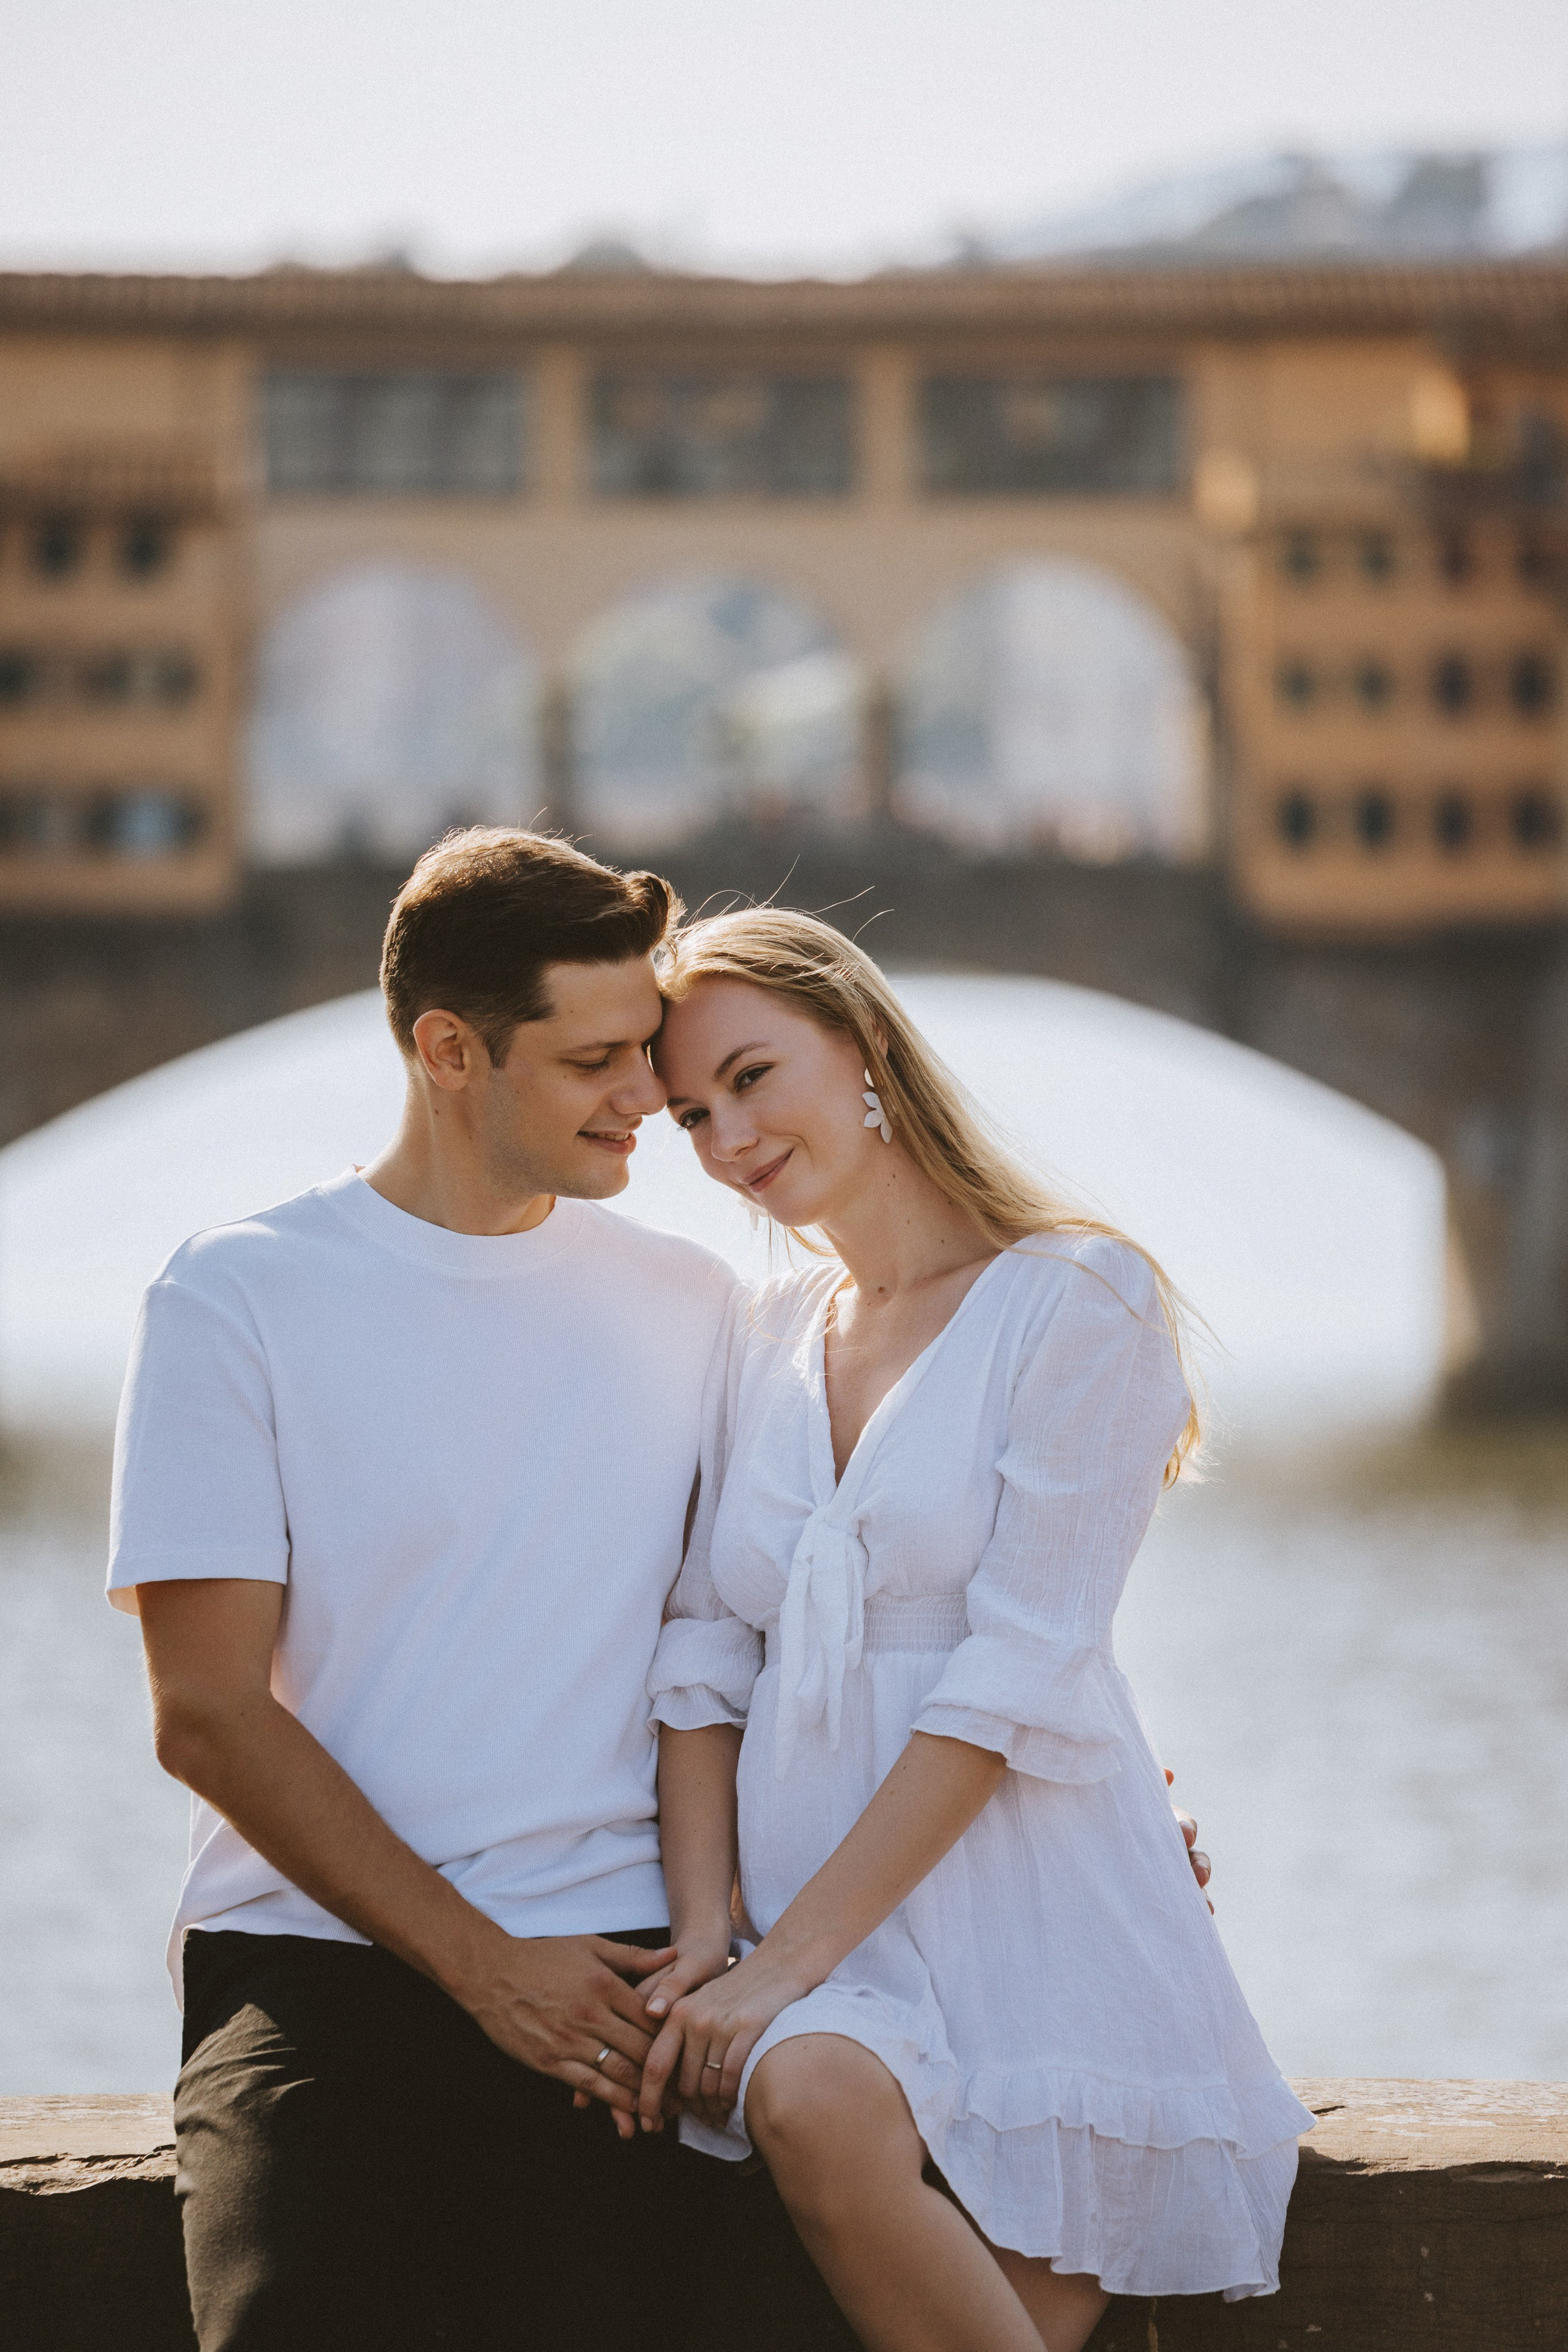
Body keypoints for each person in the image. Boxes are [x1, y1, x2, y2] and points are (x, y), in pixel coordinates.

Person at [108, 827, 1217, 2352]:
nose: (658, 1108)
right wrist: (494, 1970)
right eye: (612, 1064)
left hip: (634, 1983)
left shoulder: (699, 1308)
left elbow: (920, 1634)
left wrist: (1079, 1817)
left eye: (689, 1072)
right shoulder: (234, 1293)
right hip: (325, 1969)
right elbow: (209, 1716)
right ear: (450, 1051)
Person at [639, 907, 1313, 2352]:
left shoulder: (1077, 1301)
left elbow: (1013, 1678)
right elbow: (699, 1659)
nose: (726, 1139)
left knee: (829, 2120)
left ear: (865, 1044)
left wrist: (777, 1969)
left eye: (753, 1078)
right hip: (816, 1944)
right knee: (813, 2096)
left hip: (1036, 1931)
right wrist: (708, 1939)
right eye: (690, 1112)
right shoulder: (757, 1334)